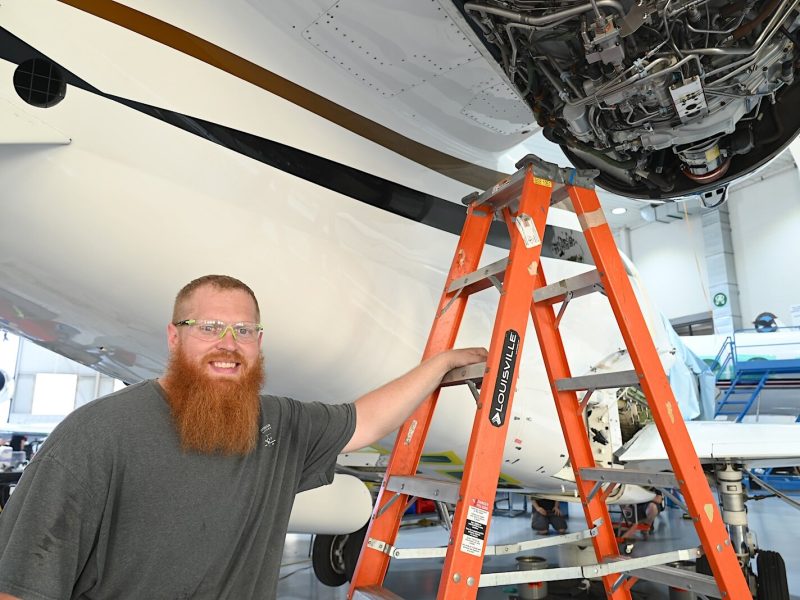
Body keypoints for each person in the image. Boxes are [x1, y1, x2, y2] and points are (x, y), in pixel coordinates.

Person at [0, 274, 487, 600]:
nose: (228, 345)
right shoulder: (95, 435)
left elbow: (365, 420)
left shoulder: (277, 422)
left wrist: (439, 366)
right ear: (174, 336)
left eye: (244, 330)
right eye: (209, 327)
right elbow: (19, 586)